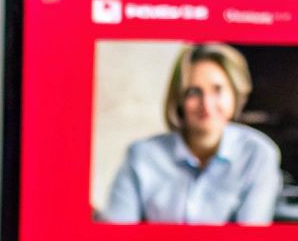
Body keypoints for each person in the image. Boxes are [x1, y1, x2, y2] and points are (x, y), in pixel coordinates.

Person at [100, 42, 282, 224]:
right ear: (179, 99)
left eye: (218, 90)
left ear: (235, 95)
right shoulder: (141, 156)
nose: (207, 104)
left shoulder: (259, 154)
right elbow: (116, 235)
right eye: (194, 92)